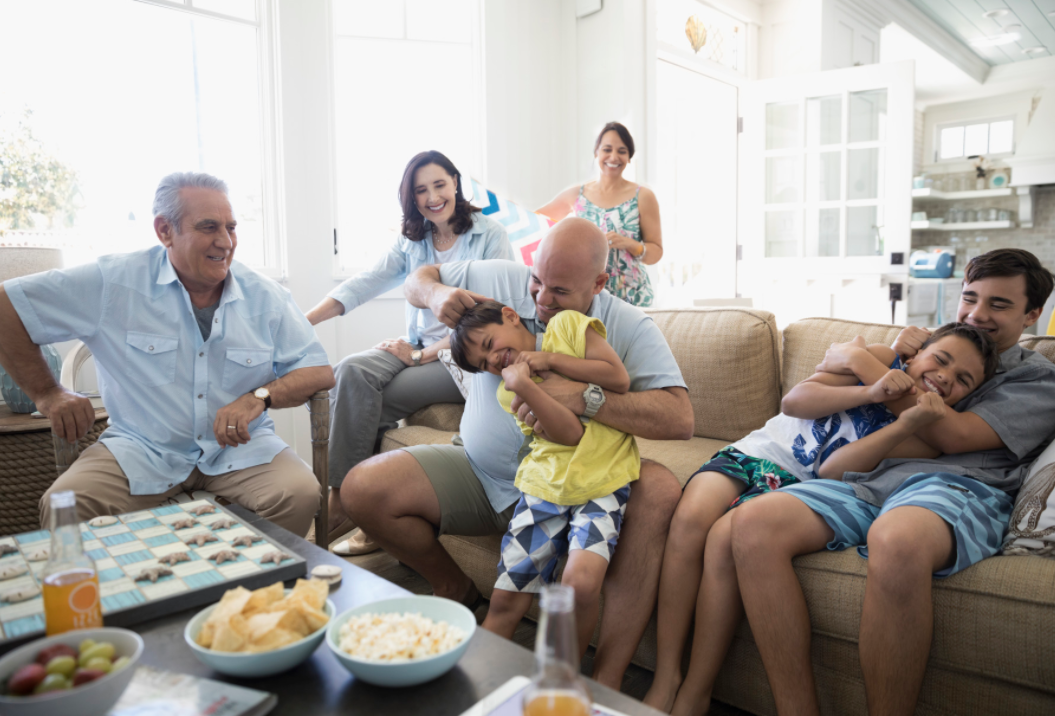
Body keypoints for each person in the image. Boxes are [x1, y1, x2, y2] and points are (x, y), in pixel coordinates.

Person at [340, 217, 692, 688]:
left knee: (661, 486)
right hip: (480, 472)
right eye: (537, 281)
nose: (541, 300)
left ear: (600, 283)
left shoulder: (622, 325)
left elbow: (679, 418)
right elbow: (419, 276)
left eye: (559, 291)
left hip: (573, 482)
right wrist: (435, 295)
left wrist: (586, 398)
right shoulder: (502, 286)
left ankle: (604, 685)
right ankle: (456, 590)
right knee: (361, 488)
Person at [730, 248, 1055, 716]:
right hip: (875, 476)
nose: (978, 314)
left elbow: (950, 434)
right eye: (970, 298)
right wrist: (880, 361)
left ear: (1032, 314)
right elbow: (803, 400)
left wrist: (860, 361)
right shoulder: (925, 350)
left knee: (898, 539)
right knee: (754, 523)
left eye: (999, 305)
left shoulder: (1038, 379)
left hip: (962, 487)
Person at [643, 322, 998, 714]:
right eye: (940, 360)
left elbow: (832, 471)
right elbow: (795, 401)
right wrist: (871, 389)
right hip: (762, 449)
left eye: (962, 380)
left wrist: (906, 424)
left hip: (799, 482)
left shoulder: (928, 434)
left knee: (724, 542)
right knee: (690, 519)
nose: (945, 377)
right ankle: (665, 676)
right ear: (916, 355)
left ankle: (695, 691)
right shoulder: (881, 357)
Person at [0, 172, 335, 535]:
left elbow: (317, 371)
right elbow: (6, 307)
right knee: (66, 504)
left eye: (231, 227)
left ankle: (242, 585)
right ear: (164, 231)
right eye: (208, 227)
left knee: (300, 494)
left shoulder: (266, 296)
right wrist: (48, 393)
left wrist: (259, 397)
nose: (225, 241)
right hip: (141, 450)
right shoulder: (112, 282)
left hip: (240, 452)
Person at [304, 150, 512, 553]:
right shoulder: (413, 239)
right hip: (415, 345)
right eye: (421, 190)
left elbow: (492, 318)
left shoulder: (490, 236)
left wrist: (421, 356)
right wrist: (304, 321)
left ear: (455, 182)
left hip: (460, 358)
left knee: (369, 399)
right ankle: (346, 497)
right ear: (411, 198)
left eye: (439, 184)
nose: (432, 196)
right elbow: (365, 283)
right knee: (350, 371)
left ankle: (351, 508)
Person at [449, 300, 639, 657]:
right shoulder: (508, 391)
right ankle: (471, 693)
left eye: (489, 345)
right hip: (544, 487)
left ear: (509, 315)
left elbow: (618, 378)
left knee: (581, 585)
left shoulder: (566, 326)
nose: (492, 362)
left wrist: (548, 361)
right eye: (483, 364)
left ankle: (567, 683)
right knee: (506, 597)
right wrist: (525, 385)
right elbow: (569, 434)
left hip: (602, 482)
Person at [537, 122, 662, 307]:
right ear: (596, 152)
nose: (613, 156)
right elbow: (536, 221)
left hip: (633, 299)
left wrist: (629, 244)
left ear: (629, 158)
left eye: (622, 151)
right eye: (607, 149)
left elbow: (655, 254)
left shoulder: (643, 196)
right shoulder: (577, 195)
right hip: (589, 299)